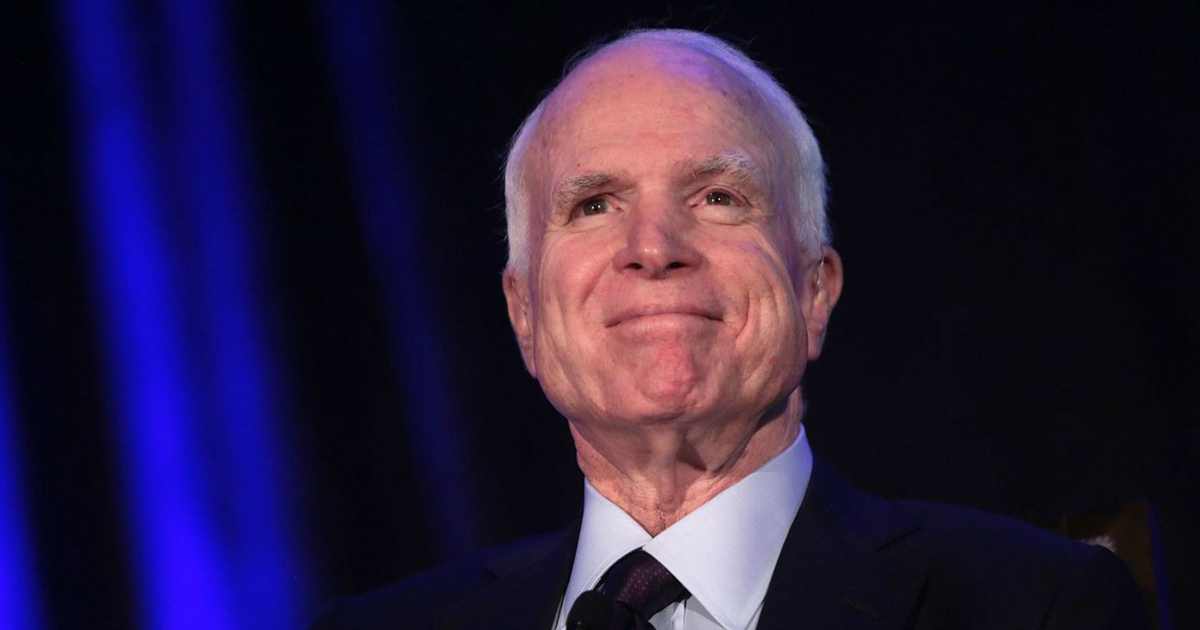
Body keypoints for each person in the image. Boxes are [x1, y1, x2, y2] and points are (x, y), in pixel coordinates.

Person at [311, 28, 1147, 630]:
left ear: (815, 291)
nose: (653, 249)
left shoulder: (1035, 606)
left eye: (718, 197)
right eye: (593, 205)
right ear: (524, 315)